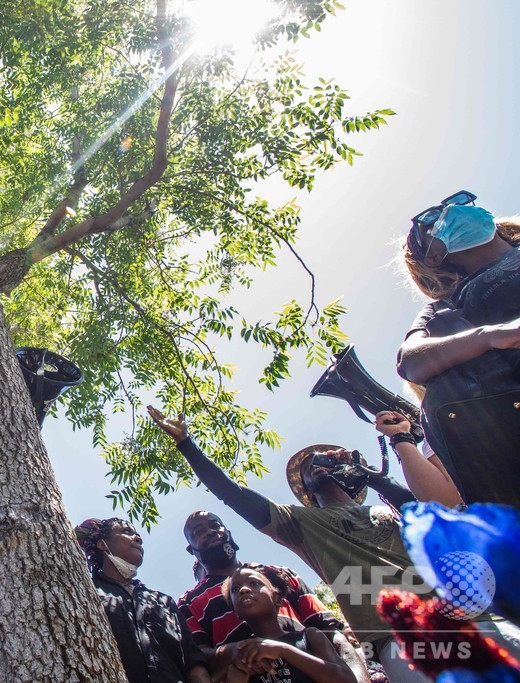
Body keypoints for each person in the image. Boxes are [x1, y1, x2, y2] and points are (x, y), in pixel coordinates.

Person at [146, 406, 433, 682]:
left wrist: (374, 472)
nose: (320, 462)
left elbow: (434, 511)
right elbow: (231, 493)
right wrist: (186, 444)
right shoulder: (302, 524)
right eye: (309, 465)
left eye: (327, 458)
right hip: (397, 636)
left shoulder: (387, 511)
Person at [397, 192, 520, 505]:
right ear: (433, 256)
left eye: (457, 205)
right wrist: (487, 336)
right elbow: (410, 359)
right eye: (433, 220)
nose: (450, 211)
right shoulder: (448, 307)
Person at [176, 511, 367, 682]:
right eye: (198, 532)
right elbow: (196, 658)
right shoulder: (188, 603)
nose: (210, 532)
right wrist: (233, 653)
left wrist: (359, 679)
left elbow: (331, 632)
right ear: (191, 549)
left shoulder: (281, 575)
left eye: (215, 524)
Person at [74, 517, 211, 683]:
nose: (138, 538)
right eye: (126, 532)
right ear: (103, 544)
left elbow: (192, 659)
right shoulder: (86, 592)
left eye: (138, 535)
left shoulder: (163, 601)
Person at [222, 568, 356, 683]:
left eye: (254, 583)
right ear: (236, 612)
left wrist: (283, 650)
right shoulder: (242, 657)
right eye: (235, 589)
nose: (243, 589)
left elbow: (348, 680)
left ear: (278, 600)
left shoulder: (310, 637)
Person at [372, 411, 461, 508]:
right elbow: (448, 502)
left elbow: (449, 501)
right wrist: (400, 434)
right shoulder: (434, 430)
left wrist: (400, 436)